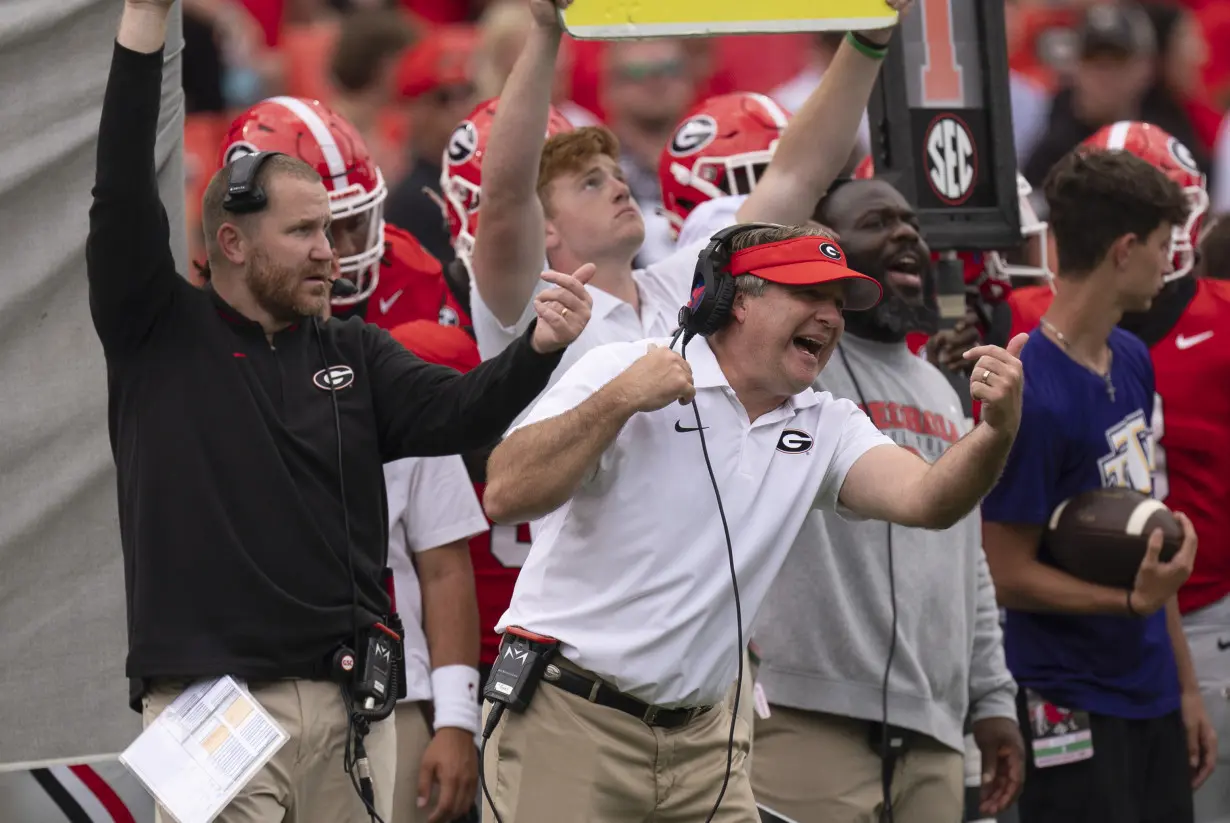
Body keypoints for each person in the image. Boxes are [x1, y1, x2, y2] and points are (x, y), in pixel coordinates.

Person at [90, 2, 594, 821]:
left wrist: (537, 349)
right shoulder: (157, 330)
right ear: (232, 243)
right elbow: (117, 183)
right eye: (304, 232)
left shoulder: (358, 350)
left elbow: (461, 414)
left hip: (348, 697)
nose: (332, 250)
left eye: (333, 229)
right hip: (206, 701)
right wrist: (147, 20)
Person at [478, 222, 1028, 821]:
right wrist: (617, 400)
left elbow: (930, 499)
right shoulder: (626, 367)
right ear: (735, 299)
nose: (831, 317)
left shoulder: (827, 423)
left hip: (706, 745)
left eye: (839, 304)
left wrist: (995, 431)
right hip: (571, 717)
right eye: (810, 294)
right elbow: (506, 492)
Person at [469, 0, 915, 400]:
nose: (619, 188)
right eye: (591, 183)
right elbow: (507, 194)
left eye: (617, 175)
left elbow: (797, 174)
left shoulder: (683, 281)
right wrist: (546, 33)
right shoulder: (526, 304)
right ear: (543, 223)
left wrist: (869, 34)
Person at [749, 181, 1024, 823]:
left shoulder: (941, 387)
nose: (907, 234)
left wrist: (991, 699)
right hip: (803, 717)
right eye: (878, 221)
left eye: (912, 223)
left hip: (932, 731)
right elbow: (779, 201)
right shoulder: (793, 368)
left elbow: (969, 562)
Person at [980, 145, 1212, 823]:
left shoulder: (1134, 358)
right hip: (1067, 694)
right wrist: (1127, 604)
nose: (1169, 264)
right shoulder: (1035, 388)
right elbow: (1006, 573)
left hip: (1151, 689)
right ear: (1124, 249)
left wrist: (1186, 687)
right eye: (1164, 245)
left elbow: (1147, 543)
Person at [219, 95, 473, 333]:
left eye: (355, 224)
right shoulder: (211, 328)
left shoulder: (405, 273)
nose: (348, 248)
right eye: (319, 229)